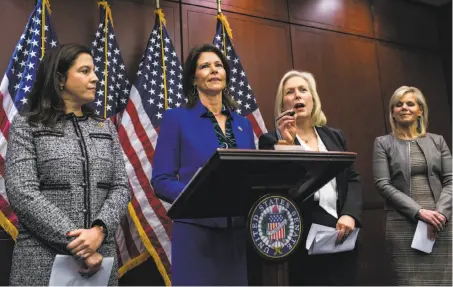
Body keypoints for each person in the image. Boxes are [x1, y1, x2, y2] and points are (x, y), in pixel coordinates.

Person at [5, 43, 130, 286]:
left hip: (100, 260)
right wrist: (81, 246)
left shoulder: (105, 128)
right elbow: (23, 193)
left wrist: (99, 231)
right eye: (85, 71)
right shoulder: (28, 125)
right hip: (41, 261)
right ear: (60, 79)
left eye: (94, 71)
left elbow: (121, 187)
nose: (95, 78)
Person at [151, 43, 255, 285]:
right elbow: (161, 180)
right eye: (205, 66)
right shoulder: (176, 118)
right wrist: (199, 194)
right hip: (196, 232)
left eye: (218, 65)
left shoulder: (244, 124)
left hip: (237, 236)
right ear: (193, 79)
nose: (214, 70)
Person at [259, 70, 362, 285]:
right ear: (283, 104)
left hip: (344, 232)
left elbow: (352, 178)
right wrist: (286, 145)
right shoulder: (270, 141)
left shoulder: (334, 136)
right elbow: (282, 189)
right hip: (305, 241)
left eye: (303, 90)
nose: (297, 95)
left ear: (313, 99)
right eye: (290, 92)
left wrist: (350, 214)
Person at [373, 86, 452, 285]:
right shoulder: (383, 143)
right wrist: (419, 212)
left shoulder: (438, 141)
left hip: (441, 224)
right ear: (392, 112)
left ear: (420, 110)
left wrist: (441, 213)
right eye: (398, 104)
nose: (404, 108)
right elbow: (383, 184)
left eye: (410, 103)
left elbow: (451, 180)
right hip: (403, 225)